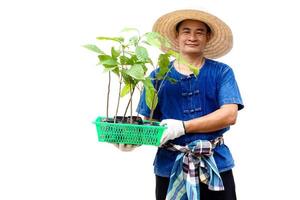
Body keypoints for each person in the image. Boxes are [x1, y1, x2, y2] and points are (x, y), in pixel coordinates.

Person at [115, 9, 244, 200]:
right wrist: (132, 140)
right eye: (186, 31)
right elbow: (148, 121)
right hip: (169, 167)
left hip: (215, 164)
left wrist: (183, 127)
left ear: (208, 37)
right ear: (177, 36)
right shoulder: (158, 76)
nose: (192, 37)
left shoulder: (222, 72)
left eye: (199, 32)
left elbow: (229, 115)